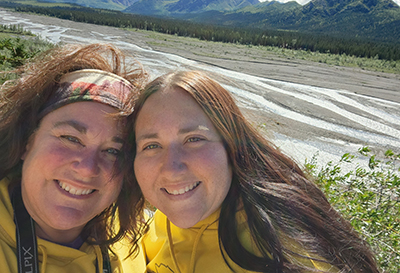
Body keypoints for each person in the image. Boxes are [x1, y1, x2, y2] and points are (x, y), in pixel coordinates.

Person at [130, 70, 379, 273]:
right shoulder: (162, 219)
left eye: (194, 139)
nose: (172, 168)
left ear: (231, 146)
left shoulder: (285, 250)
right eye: (151, 145)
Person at [0, 43, 148, 273]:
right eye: (70, 138)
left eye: (113, 151)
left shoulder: (132, 235)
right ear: (27, 141)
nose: (88, 169)